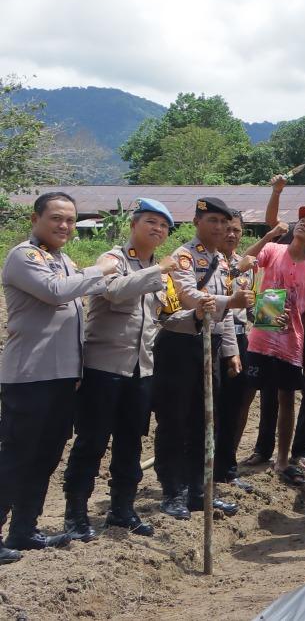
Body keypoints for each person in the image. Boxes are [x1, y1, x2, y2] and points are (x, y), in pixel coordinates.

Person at [0, 194, 122, 557]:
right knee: (17, 455)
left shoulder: (64, 259)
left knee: (47, 455)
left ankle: (25, 528)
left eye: (70, 220)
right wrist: (101, 267)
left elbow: (94, 290)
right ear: (36, 218)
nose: (65, 226)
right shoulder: (24, 256)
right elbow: (56, 292)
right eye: (56, 218)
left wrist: (143, 273)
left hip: (63, 377)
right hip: (30, 377)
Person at [61, 198, 184, 541]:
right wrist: (158, 272)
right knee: (92, 442)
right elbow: (113, 292)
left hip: (141, 371)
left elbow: (164, 317)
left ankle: (122, 510)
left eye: (163, 226)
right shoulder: (113, 259)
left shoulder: (159, 269)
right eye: (151, 222)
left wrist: (204, 311)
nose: (158, 229)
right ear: (134, 225)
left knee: (131, 443)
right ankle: (75, 515)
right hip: (104, 369)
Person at [152, 197, 251, 521]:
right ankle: (173, 492)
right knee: (174, 421)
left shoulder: (221, 262)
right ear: (197, 222)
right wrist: (229, 298)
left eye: (224, 222)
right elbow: (187, 295)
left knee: (205, 420)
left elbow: (222, 317)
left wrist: (230, 352)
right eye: (213, 221)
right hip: (180, 345)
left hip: (209, 345)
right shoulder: (183, 257)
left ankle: (199, 490)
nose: (220, 228)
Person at [243, 207, 305, 485]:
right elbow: (245, 261)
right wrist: (269, 234)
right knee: (248, 395)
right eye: (301, 221)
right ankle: (236, 455)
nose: (303, 224)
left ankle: (282, 459)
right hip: (262, 333)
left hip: (292, 341)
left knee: (287, 399)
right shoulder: (273, 249)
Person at [216, 210, 254, 488]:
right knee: (211, 407)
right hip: (212, 339)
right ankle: (201, 473)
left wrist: (266, 314)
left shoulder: (247, 266)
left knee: (234, 406)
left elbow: (248, 308)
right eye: (226, 228)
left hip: (240, 339)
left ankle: (227, 469)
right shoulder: (206, 263)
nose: (231, 234)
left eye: (236, 230)